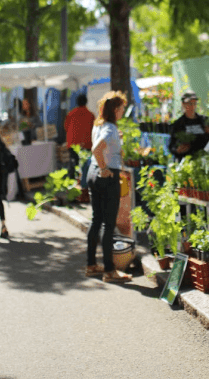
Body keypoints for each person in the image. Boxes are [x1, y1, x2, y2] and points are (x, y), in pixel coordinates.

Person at [86, 91, 132, 283]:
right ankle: (109, 270)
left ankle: (91, 265)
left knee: (97, 220)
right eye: (121, 108)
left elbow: (101, 147)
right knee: (108, 223)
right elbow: (96, 148)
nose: (123, 111)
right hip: (106, 176)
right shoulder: (110, 128)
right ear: (115, 109)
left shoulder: (100, 125)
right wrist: (105, 168)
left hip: (92, 173)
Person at [168, 92, 209, 161]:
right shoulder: (178, 125)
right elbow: (171, 146)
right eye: (190, 104)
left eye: (194, 104)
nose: (192, 107)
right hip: (187, 163)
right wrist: (177, 150)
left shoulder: (205, 121)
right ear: (183, 104)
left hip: (206, 160)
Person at [65, 93, 95, 181]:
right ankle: (84, 182)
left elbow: (66, 127)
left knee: (74, 163)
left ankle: (73, 182)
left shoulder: (71, 114)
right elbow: (94, 130)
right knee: (85, 165)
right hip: (86, 144)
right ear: (86, 102)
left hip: (73, 143)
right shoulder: (90, 115)